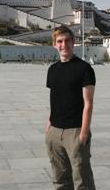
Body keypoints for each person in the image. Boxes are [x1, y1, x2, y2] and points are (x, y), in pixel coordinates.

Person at [45, 26, 96, 189]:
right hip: (54, 131)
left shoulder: (84, 68)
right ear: (54, 44)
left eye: (67, 40)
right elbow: (55, 98)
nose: (64, 44)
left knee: (82, 179)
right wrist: (49, 123)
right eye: (59, 41)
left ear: (73, 42)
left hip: (75, 130)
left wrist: (83, 133)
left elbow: (88, 104)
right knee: (59, 178)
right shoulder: (52, 69)